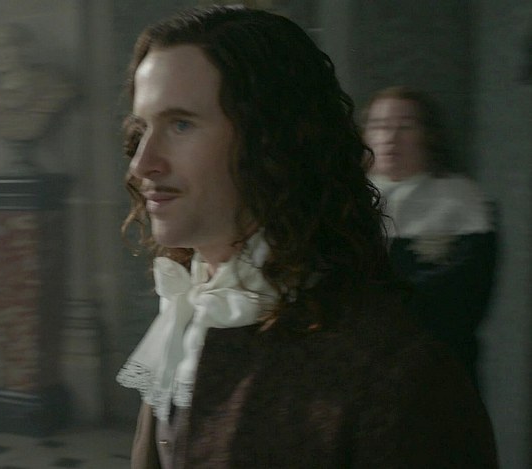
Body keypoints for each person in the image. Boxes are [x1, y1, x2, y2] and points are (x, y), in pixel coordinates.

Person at [115, 6, 497, 468]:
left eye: (181, 124)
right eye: (142, 128)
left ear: (272, 142)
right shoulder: (188, 310)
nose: (142, 163)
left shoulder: (395, 374)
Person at [363, 86, 498, 389]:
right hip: (359, 373)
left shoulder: (462, 202)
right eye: (380, 125)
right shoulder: (345, 202)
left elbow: (462, 296)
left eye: (405, 126)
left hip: (437, 372)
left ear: (428, 135)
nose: (390, 137)